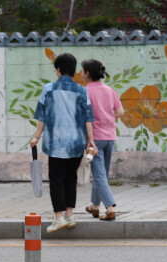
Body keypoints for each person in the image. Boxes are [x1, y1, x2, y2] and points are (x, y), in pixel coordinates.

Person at [30, 53, 97, 233]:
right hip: (77, 143)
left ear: (58, 70)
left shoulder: (48, 89)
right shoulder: (82, 91)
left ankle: (59, 217)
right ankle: (70, 215)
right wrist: (91, 141)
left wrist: (36, 136)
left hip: (56, 143)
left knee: (56, 180)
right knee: (70, 179)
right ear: (74, 71)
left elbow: (42, 116)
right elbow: (88, 119)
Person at [81, 59, 124, 221]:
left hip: (95, 139)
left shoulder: (85, 92)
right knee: (101, 174)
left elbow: (83, 117)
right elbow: (120, 112)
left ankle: (110, 207)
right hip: (110, 137)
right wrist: (108, 118)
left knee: (99, 175)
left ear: (87, 74)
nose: (82, 74)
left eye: (83, 71)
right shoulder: (109, 90)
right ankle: (95, 206)